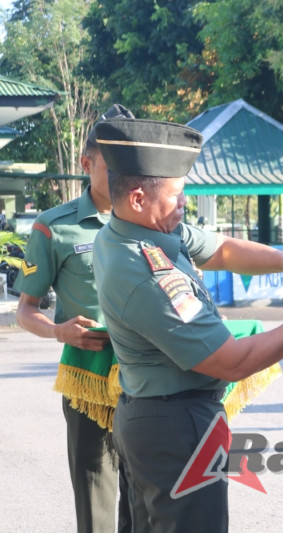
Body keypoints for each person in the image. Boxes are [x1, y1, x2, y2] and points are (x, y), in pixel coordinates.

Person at [91, 117, 283, 532]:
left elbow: (222, 249)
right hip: (176, 428)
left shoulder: (135, 231)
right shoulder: (144, 271)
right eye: (177, 195)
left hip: (154, 420)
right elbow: (231, 362)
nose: (184, 202)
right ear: (138, 197)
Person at [14, 103, 134, 532]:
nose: (125, 173)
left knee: (145, 500)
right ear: (87, 162)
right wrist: (57, 330)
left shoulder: (152, 221)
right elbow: (25, 311)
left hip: (147, 377)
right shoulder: (53, 227)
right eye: (113, 163)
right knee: (96, 499)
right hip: (89, 378)